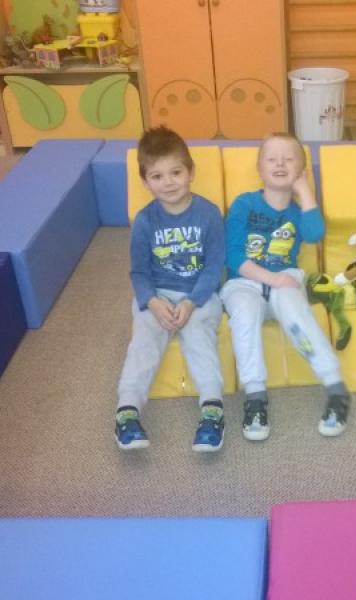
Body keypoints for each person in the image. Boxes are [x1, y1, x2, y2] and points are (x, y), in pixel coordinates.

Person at [221, 132, 352, 440]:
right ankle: (255, 396)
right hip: (244, 281)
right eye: (272, 159)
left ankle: (336, 389)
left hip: (285, 279)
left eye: (289, 159)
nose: (280, 164)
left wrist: (304, 191)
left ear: (300, 170)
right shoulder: (244, 204)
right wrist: (271, 279)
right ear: (259, 168)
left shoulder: (298, 210)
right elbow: (233, 255)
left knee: (296, 314)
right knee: (243, 315)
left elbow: (314, 234)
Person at [115, 126, 227, 452]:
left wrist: (192, 302)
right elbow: (138, 271)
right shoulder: (145, 221)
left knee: (199, 336)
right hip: (157, 295)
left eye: (176, 172)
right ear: (145, 181)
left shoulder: (209, 214)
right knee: (144, 341)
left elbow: (213, 267)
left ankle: (212, 409)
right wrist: (151, 301)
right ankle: (127, 411)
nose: (168, 182)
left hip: (199, 294)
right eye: (157, 176)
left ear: (191, 172)